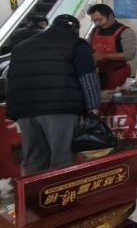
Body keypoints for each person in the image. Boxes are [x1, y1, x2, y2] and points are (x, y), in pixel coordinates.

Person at [5, 14, 101, 175]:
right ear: (75, 29)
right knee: (62, 158)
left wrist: (14, 109)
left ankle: (32, 190)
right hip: (60, 109)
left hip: (25, 111)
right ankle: (62, 190)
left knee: (33, 157)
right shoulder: (76, 44)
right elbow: (88, 76)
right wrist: (93, 108)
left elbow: (11, 77)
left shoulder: (22, 46)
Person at [88, 4, 137, 90]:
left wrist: (105, 56)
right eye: (94, 21)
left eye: (99, 19)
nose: (97, 23)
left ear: (110, 16)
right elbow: (87, 47)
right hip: (98, 73)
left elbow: (129, 54)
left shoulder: (125, 31)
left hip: (117, 73)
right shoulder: (95, 31)